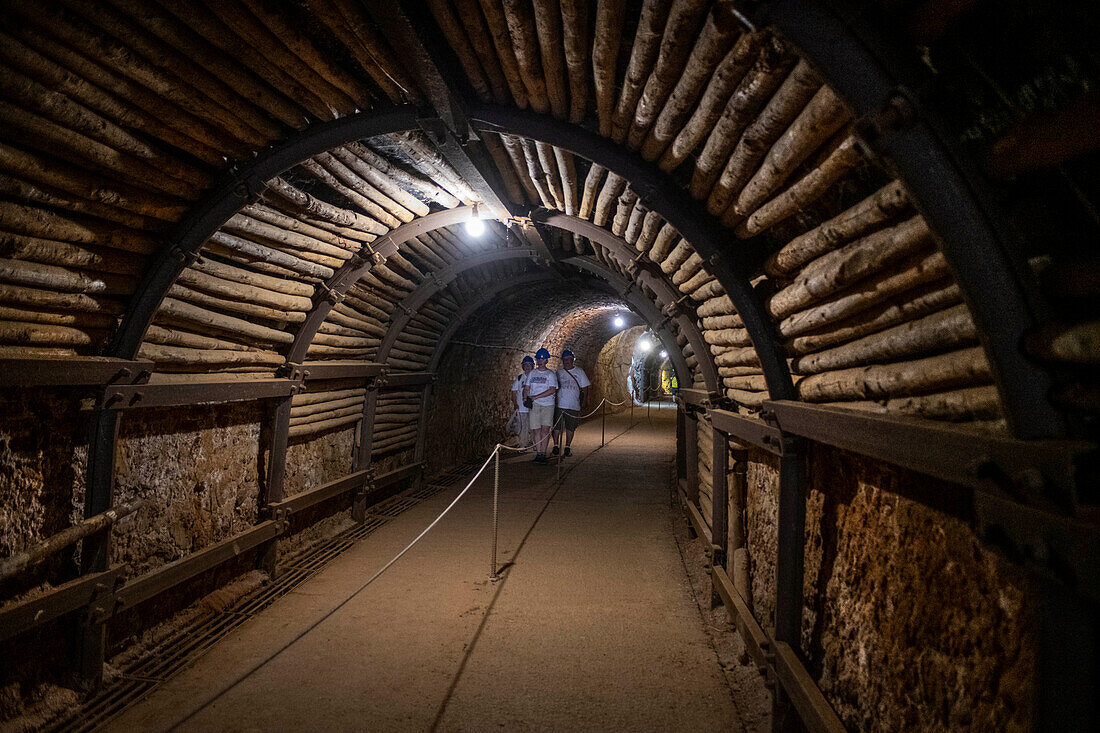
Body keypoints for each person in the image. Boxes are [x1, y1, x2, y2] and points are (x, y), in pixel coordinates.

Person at [552, 349, 590, 457]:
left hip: (573, 404)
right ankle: (555, 446)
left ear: (573, 360)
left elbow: (585, 388)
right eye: (565, 359)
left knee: (570, 427)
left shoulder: (579, 372)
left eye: (569, 359)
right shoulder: (558, 372)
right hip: (559, 404)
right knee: (557, 426)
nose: (567, 361)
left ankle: (567, 447)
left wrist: (585, 401)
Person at [523, 348, 558, 464]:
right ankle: (538, 453)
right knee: (535, 429)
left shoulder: (550, 374)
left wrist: (535, 396)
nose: (540, 361)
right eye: (538, 359)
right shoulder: (533, 373)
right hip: (535, 405)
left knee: (545, 429)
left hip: (547, 404)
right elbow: (527, 387)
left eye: (542, 359)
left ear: (546, 360)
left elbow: (552, 390)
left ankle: (543, 452)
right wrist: (525, 398)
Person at [510, 355, 534, 449]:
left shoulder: (536, 377)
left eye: (529, 365)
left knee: (533, 426)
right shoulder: (520, 378)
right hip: (522, 407)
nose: (527, 367)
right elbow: (514, 391)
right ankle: (523, 445)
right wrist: (515, 403)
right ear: (523, 366)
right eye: (525, 365)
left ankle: (534, 443)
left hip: (533, 406)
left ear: (532, 366)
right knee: (523, 427)